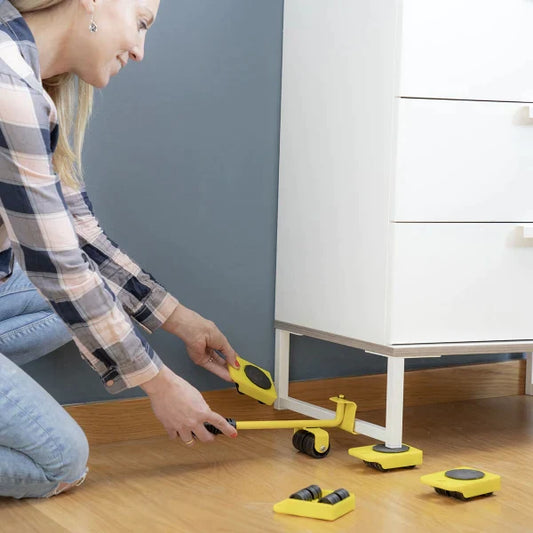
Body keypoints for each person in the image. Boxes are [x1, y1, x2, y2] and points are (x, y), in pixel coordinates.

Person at [0, 0, 241, 500]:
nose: (139, 50)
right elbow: (59, 269)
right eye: (141, 23)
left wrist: (180, 321)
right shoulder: (9, 90)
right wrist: (160, 384)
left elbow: (76, 236)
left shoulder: (22, 68)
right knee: (61, 463)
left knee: (90, 308)